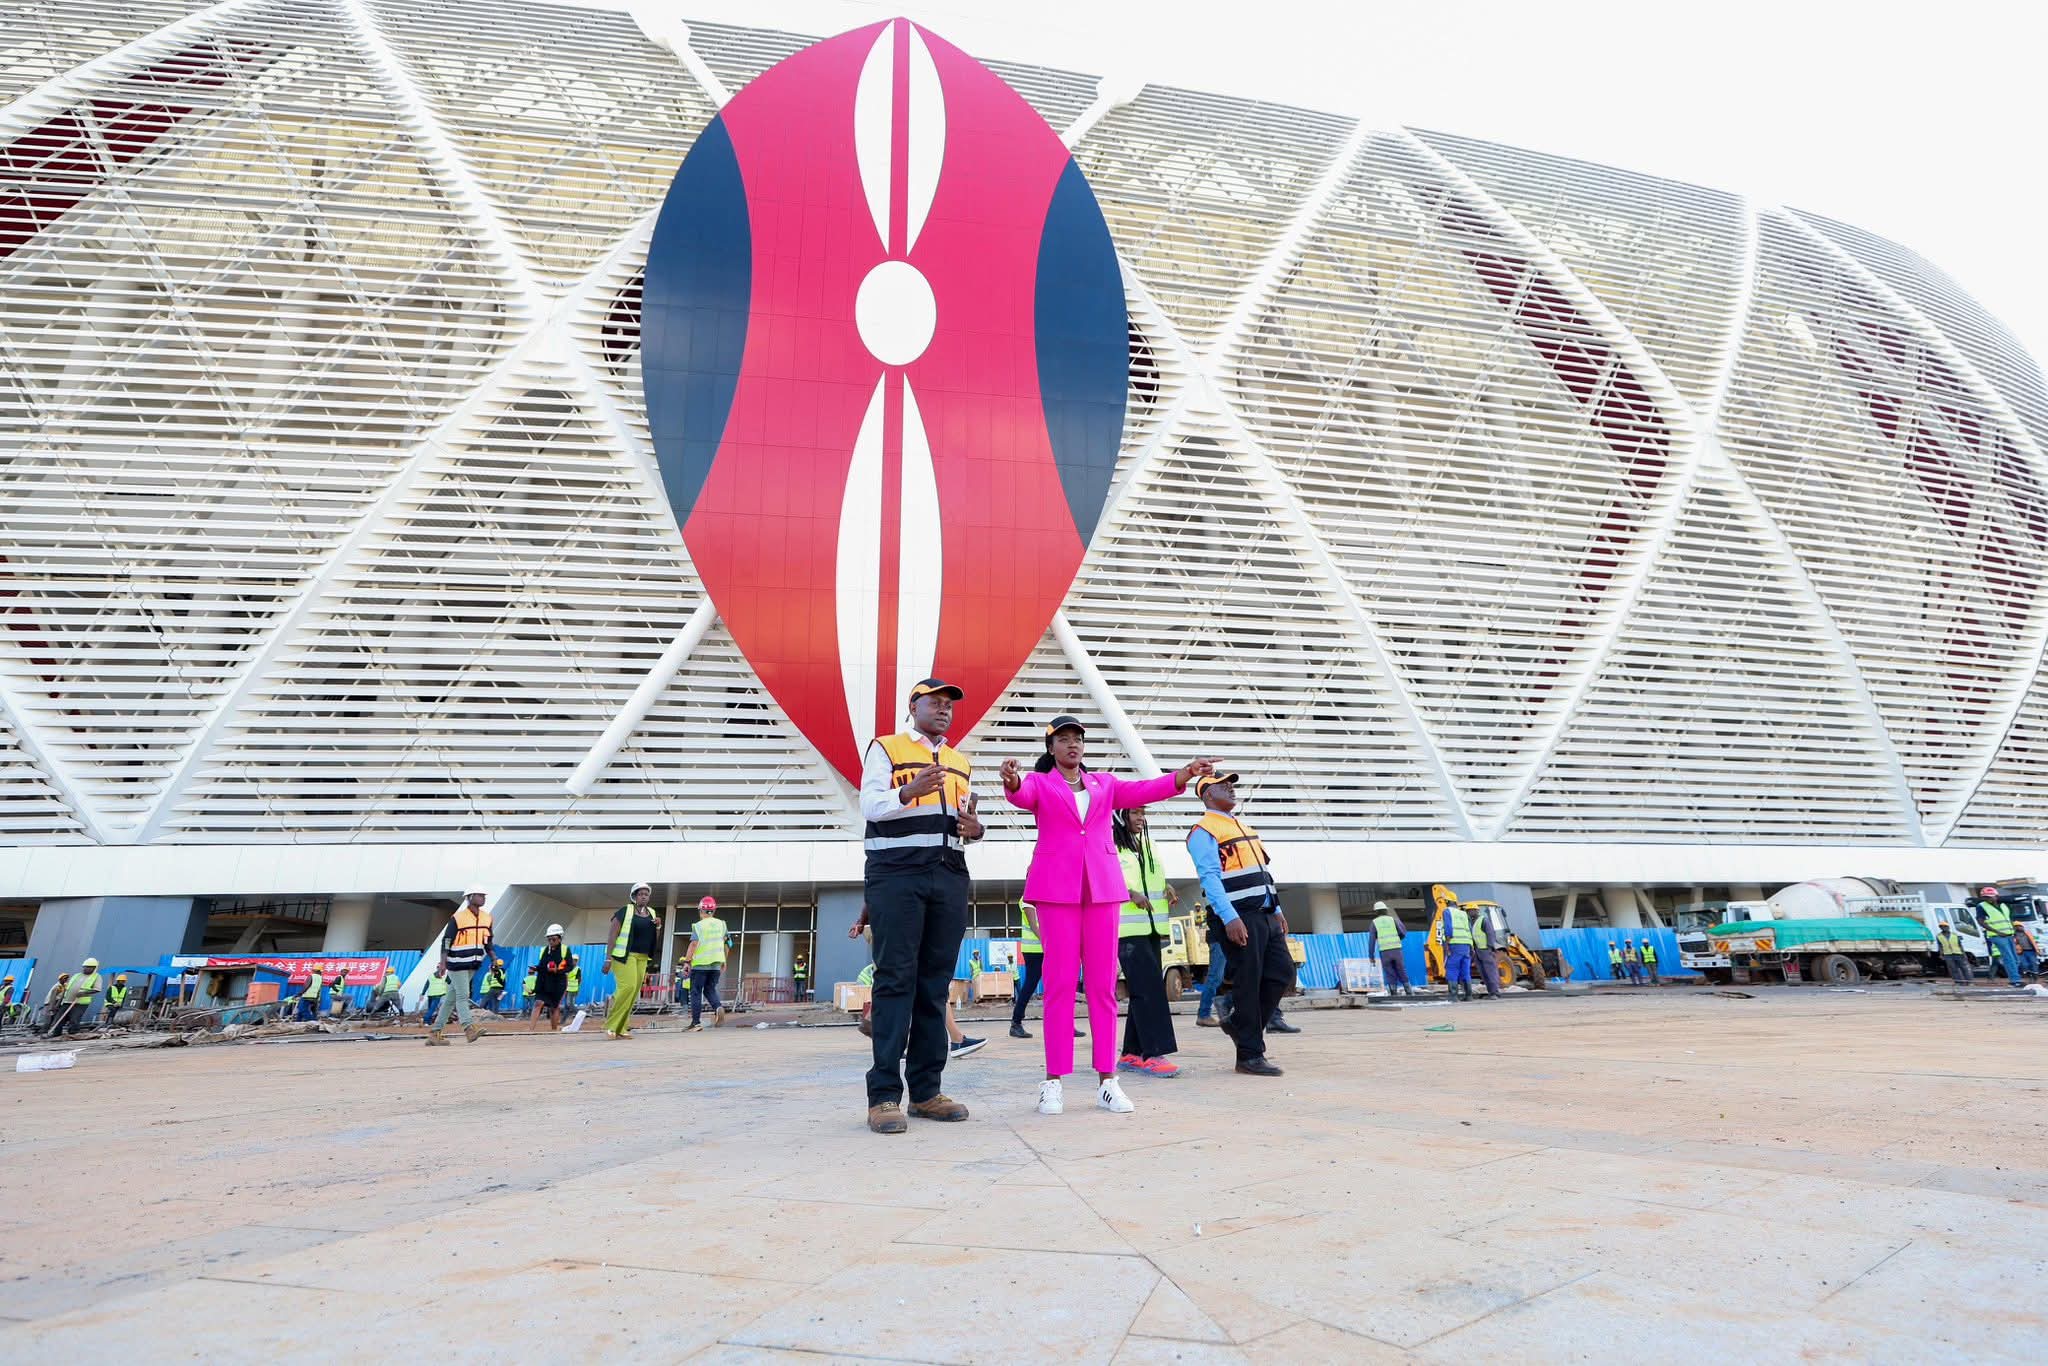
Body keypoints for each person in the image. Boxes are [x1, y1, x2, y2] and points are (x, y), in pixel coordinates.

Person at [1003, 715, 1206, 1117]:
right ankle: (1053, 1082)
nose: (1072, 744)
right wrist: (1011, 780)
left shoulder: (1105, 784)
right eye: (1063, 739)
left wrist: (1184, 774)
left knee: (1102, 987)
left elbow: (1146, 789)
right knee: (1059, 985)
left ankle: (1107, 1081)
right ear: (1051, 748)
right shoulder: (1041, 783)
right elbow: (1021, 794)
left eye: (1077, 738)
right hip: (1057, 891)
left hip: (1102, 890)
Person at [859, 678, 984, 1135]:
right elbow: (870, 805)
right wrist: (908, 791)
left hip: (948, 873)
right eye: (935, 702)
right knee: (895, 980)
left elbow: (961, 821)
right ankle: (884, 1096)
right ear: (913, 706)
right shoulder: (886, 748)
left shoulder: (959, 762)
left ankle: (927, 1092)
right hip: (897, 873)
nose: (944, 709)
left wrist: (976, 829)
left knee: (934, 985)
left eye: (949, 704)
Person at [1187, 771, 1291, 1078]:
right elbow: (1209, 878)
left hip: (1265, 913)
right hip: (1239, 916)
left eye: (1231, 784)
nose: (1231, 789)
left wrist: (1277, 908)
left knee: (1283, 973)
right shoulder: (1203, 831)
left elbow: (1263, 873)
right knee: (1249, 982)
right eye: (1223, 785)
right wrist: (1229, 917)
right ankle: (1249, 1055)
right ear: (1207, 795)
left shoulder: (1243, 827)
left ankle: (1237, 1023)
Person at [1115, 807, 1180, 1079]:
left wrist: (1167, 887)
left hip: (1152, 927)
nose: (1141, 818)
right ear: (1120, 816)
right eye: (1135, 813)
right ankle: (1154, 1053)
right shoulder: (1110, 845)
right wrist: (1129, 893)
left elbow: (1152, 878)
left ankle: (1131, 1053)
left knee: (1143, 989)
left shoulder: (1147, 843)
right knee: (1149, 989)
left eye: (1143, 813)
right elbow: (1101, 879)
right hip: (1127, 930)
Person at [429, 885, 493, 1045]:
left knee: (450, 1000)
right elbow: (446, 941)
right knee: (463, 996)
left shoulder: (487, 918)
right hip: (456, 964)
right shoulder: (457, 918)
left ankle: (435, 1033)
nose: (483, 898)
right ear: (469, 897)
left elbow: (488, 942)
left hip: (473, 964)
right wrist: (443, 962)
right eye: (479, 895)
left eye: (483, 895)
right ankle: (468, 1028)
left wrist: (494, 958)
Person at [606, 882, 660, 1038]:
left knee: (634, 991)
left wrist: (658, 927)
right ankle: (612, 1025)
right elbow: (612, 934)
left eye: (646, 894)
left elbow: (654, 938)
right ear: (634, 896)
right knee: (627, 987)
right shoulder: (625, 910)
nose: (644, 897)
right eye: (640, 894)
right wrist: (608, 959)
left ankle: (621, 1028)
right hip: (625, 956)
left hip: (642, 957)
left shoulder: (652, 913)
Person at [687, 896, 729, 1031]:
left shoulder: (698, 926)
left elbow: (694, 944)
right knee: (709, 989)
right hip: (716, 964)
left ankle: (696, 1023)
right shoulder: (722, 924)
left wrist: (687, 961)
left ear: (701, 910)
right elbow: (727, 943)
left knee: (696, 992)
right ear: (714, 911)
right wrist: (724, 960)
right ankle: (718, 1007)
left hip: (700, 964)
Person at [1009, 901, 1044, 1039]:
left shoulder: (1042, 897)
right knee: (1030, 985)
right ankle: (1016, 1023)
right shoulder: (1027, 899)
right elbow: (1033, 925)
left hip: (1044, 948)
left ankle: (1065, 1023)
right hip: (1034, 950)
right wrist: (1049, 942)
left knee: (1058, 986)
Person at [532, 924, 574, 1029]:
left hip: (558, 983)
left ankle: (554, 1031)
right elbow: (542, 965)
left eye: (553, 939)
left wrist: (557, 970)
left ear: (560, 938)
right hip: (544, 982)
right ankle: (530, 1030)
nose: (551, 941)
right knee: (538, 1003)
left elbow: (570, 967)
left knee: (554, 1007)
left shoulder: (565, 950)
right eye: (549, 939)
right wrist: (536, 968)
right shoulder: (544, 950)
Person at [50, 959, 103, 1035]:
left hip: (80, 1003)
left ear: (94, 968)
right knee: (59, 1018)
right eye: (85, 967)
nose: (86, 968)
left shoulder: (96, 977)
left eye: (89, 967)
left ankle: (73, 1034)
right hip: (67, 1001)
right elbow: (67, 989)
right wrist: (58, 1003)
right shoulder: (76, 975)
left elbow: (97, 989)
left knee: (74, 1019)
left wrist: (83, 993)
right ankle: (56, 1033)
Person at [1371, 902, 1412, 997]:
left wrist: (1371, 956)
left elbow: (1371, 941)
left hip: (1384, 952)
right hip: (1397, 950)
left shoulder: (1374, 923)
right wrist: (1398, 939)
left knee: (1389, 972)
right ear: (1386, 910)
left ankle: (1394, 993)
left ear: (1376, 912)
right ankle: (1409, 991)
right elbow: (1403, 932)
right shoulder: (1393, 920)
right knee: (1401, 970)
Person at [1195, 918, 1229, 1026]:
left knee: (1225, 977)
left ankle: (1208, 1013)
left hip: (1223, 935)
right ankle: (1204, 1014)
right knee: (1216, 977)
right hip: (1219, 935)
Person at [1440, 897, 1474, 1002]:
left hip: (1454, 944)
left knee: (1452, 968)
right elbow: (1469, 930)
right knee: (1465, 970)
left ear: (1447, 902)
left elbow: (1448, 929)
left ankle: (1453, 996)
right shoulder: (1463, 914)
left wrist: (1446, 945)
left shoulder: (1447, 911)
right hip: (1466, 945)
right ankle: (1469, 995)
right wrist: (1471, 946)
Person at [1470, 908, 1503, 1000]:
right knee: (1484, 973)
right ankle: (1491, 992)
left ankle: (1495, 993)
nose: (1469, 912)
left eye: (1471, 910)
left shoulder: (1483, 920)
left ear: (1477, 911)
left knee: (1490, 972)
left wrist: (1489, 947)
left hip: (1485, 950)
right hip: (1477, 951)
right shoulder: (1472, 922)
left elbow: (1490, 934)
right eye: (1468, 911)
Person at [1936, 921, 1971, 986]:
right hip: (1948, 954)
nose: (1944, 928)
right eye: (1942, 926)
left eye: (1945, 926)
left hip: (1958, 953)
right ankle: (1959, 982)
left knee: (1964, 968)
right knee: (1953, 969)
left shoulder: (1954, 935)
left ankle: (1969, 982)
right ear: (1940, 928)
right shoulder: (1939, 936)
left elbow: (1960, 945)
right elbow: (1940, 946)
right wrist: (1941, 954)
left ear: (1948, 927)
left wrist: (1964, 954)